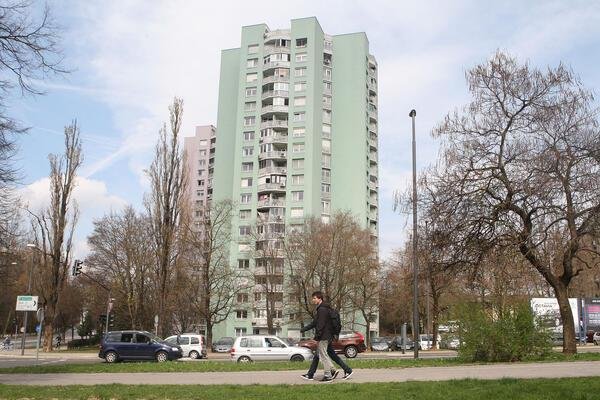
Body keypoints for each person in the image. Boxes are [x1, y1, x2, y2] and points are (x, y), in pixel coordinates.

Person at [299, 291, 337, 382]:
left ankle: (328, 376)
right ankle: (332, 370)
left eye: (314, 298)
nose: (313, 300)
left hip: (324, 336)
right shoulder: (322, 308)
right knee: (320, 354)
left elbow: (320, 324)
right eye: (313, 298)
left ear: (319, 298)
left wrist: (317, 336)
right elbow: (315, 323)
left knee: (323, 355)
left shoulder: (322, 309)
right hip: (326, 335)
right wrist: (304, 329)